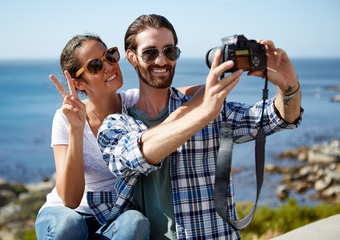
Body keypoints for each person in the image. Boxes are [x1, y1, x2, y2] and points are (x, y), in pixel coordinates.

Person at [88, 14, 303, 239]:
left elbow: (274, 118)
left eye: (169, 51)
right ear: (131, 57)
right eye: (150, 52)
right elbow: (136, 155)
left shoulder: (209, 107)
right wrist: (201, 114)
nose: (161, 61)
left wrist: (289, 88)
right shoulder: (116, 125)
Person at [34, 34, 152, 240]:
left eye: (110, 56)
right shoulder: (65, 118)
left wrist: (215, 86)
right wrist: (76, 129)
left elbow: (179, 95)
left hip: (112, 215)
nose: (108, 66)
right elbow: (69, 200)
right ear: (79, 83)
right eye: (95, 66)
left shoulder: (135, 103)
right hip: (65, 215)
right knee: (71, 225)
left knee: (136, 222)